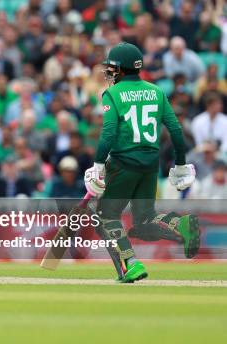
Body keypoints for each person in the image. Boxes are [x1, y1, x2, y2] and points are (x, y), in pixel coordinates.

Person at [84, 42, 198, 283]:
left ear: (122, 69)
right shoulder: (156, 91)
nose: (110, 72)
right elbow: (176, 131)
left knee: (105, 215)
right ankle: (181, 223)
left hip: (124, 163)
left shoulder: (112, 94)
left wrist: (97, 165)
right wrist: (180, 164)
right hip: (150, 164)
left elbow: (108, 133)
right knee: (144, 217)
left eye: (113, 68)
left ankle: (130, 264)